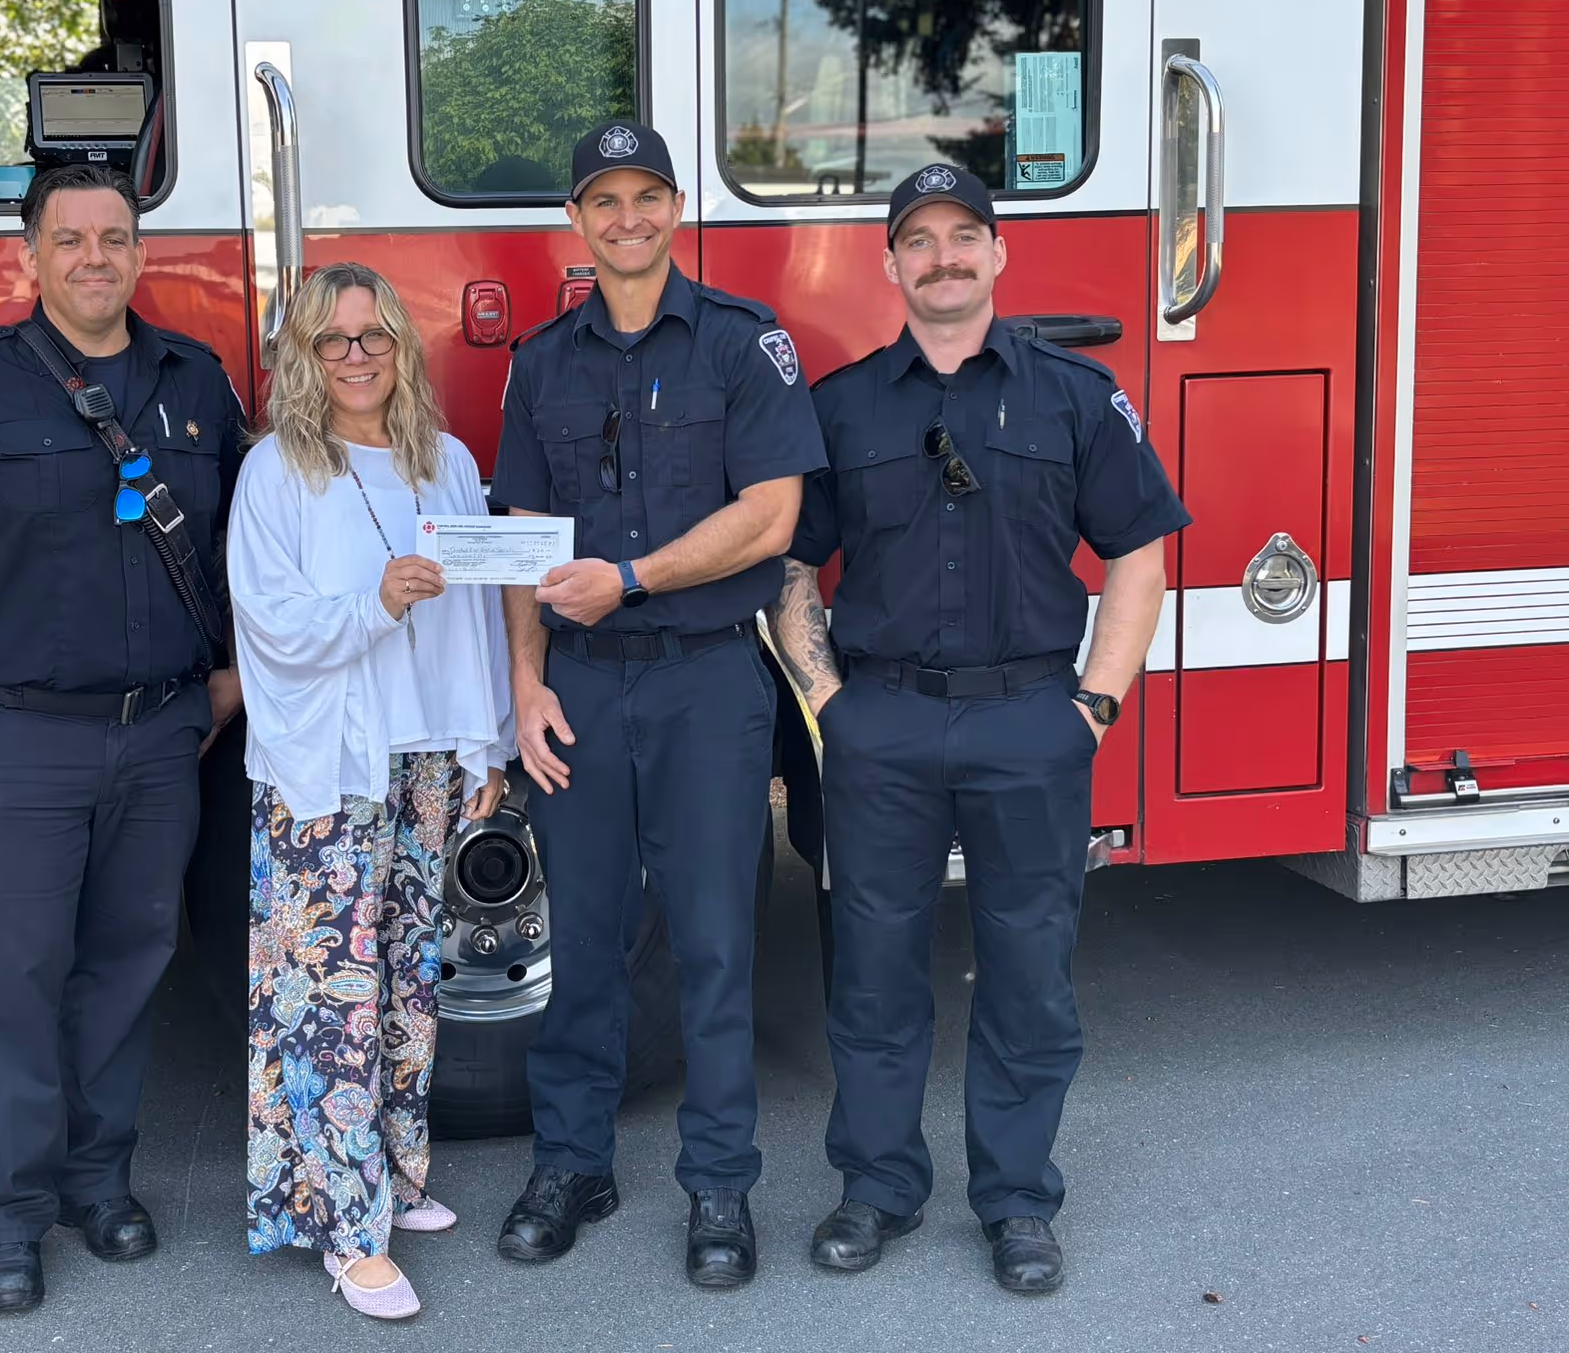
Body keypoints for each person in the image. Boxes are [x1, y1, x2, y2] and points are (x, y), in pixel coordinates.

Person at [768, 162, 1191, 1294]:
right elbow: (791, 566)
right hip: (881, 724)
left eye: (963, 236)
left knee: (1027, 976)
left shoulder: (1072, 396)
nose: (942, 256)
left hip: (1029, 721)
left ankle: (1015, 1201)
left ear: (996, 256)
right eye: (919, 239)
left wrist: (1091, 707)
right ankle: (876, 1188)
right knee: (870, 974)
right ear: (891, 263)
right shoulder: (842, 404)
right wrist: (827, 704)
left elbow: (1140, 553)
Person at [0, 164, 245, 1315]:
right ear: (28, 256)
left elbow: (242, 545)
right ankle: (11, 1216)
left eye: (115, 237)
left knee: (126, 969)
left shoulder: (196, 381)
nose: (94, 257)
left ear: (140, 254)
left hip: (158, 737)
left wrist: (217, 691)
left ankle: (99, 1182)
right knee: (11, 984)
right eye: (69, 238)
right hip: (14, 742)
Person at [491, 121, 826, 1289]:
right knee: (580, 940)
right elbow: (523, 547)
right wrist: (525, 681)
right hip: (579, 684)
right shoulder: (540, 363)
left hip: (704, 682)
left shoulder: (743, 345)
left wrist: (631, 578)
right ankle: (571, 1162)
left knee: (713, 945)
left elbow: (771, 514)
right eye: (601, 201)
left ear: (675, 209)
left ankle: (719, 1185)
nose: (624, 218)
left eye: (644, 196)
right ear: (574, 224)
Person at [231, 262, 514, 1321]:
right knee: (327, 1000)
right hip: (329, 767)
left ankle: (392, 1175)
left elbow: (478, 616)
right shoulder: (277, 472)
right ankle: (343, 1228)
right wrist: (373, 601)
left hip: (426, 753)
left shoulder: (446, 463)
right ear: (301, 357)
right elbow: (270, 624)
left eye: (374, 336)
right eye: (333, 339)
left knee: (402, 978)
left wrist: (484, 745)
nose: (356, 356)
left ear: (402, 347)